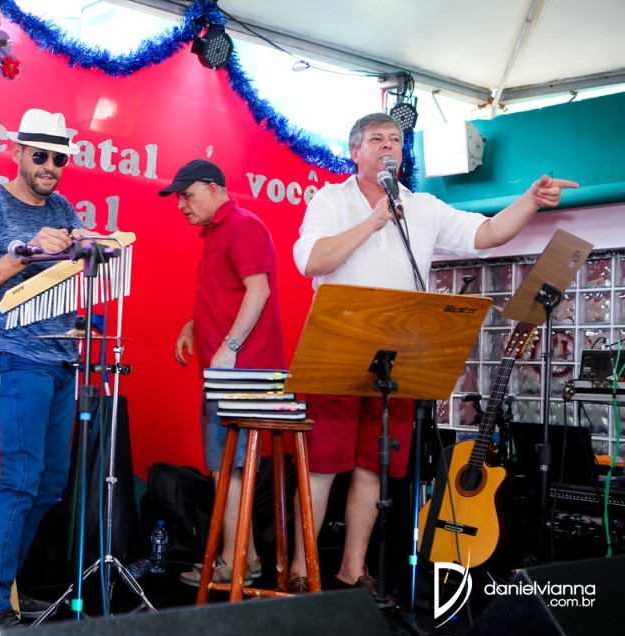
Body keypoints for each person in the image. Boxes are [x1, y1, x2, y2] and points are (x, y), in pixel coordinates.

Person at [289, 112, 578, 592]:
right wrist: (374, 221)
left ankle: (353, 569)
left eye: (396, 139)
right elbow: (312, 261)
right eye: (377, 139)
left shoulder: (421, 206)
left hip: (398, 354)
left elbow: (485, 235)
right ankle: (302, 570)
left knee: (374, 465)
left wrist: (529, 201)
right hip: (338, 348)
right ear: (355, 151)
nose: (389, 146)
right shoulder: (331, 199)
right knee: (321, 466)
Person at [0, 108, 88, 634]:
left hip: (62, 358)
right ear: (15, 152)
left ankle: (7, 587)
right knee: (21, 477)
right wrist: (27, 253)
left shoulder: (63, 208)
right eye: (40, 155)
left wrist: (93, 252)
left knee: (51, 482)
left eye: (59, 158)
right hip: (15, 356)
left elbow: (77, 272)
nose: (50, 166)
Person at [158, 159, 285, 588]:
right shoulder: (217, 232)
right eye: (178, 197)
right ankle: (239, 559)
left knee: (231, 468)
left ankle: (236, 561)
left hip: (246, 374)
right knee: (223, 468)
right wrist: (193, 325)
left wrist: (229, 346)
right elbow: (227, 293)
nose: (181, 204)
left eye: (187, 195)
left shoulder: (243, 225)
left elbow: (259, 290)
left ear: (213, 189)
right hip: (226, 374)